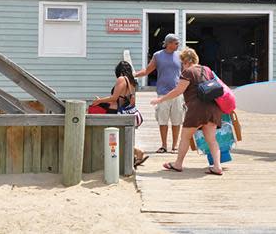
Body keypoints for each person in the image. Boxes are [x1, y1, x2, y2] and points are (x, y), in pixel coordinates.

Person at [150, 48, 224, 176]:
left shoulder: (188, 72)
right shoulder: (206, 69)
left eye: (182, 63)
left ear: (185, 61)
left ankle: (178, 164)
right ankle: (217, 166)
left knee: (185, 137)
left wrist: (160, 99)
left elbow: (178, 91)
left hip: (197, 110)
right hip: (212, 109)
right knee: (212, 139)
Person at [91, 61, 148, 168]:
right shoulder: (132, 82)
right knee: (118, 137)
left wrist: (99, 101)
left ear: (119, 71)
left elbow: (114, 98)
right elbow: (128, 100)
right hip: (126, 113)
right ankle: (135, 154)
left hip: (116, 113)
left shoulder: (121, 79)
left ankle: (137, 152)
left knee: (112, 137)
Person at [135, 34, 185, 154]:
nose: (178, 45)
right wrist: (134, 74)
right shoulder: (158, 55)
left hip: (178, 93)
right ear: (168, 43)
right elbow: (147, 70)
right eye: (176, 43)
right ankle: (163, 145)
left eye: (178, 43)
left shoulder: (180, 56)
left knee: (176, 120)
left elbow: (185, 72)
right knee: (163, 120)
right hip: (162, 93)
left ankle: (174, 146)